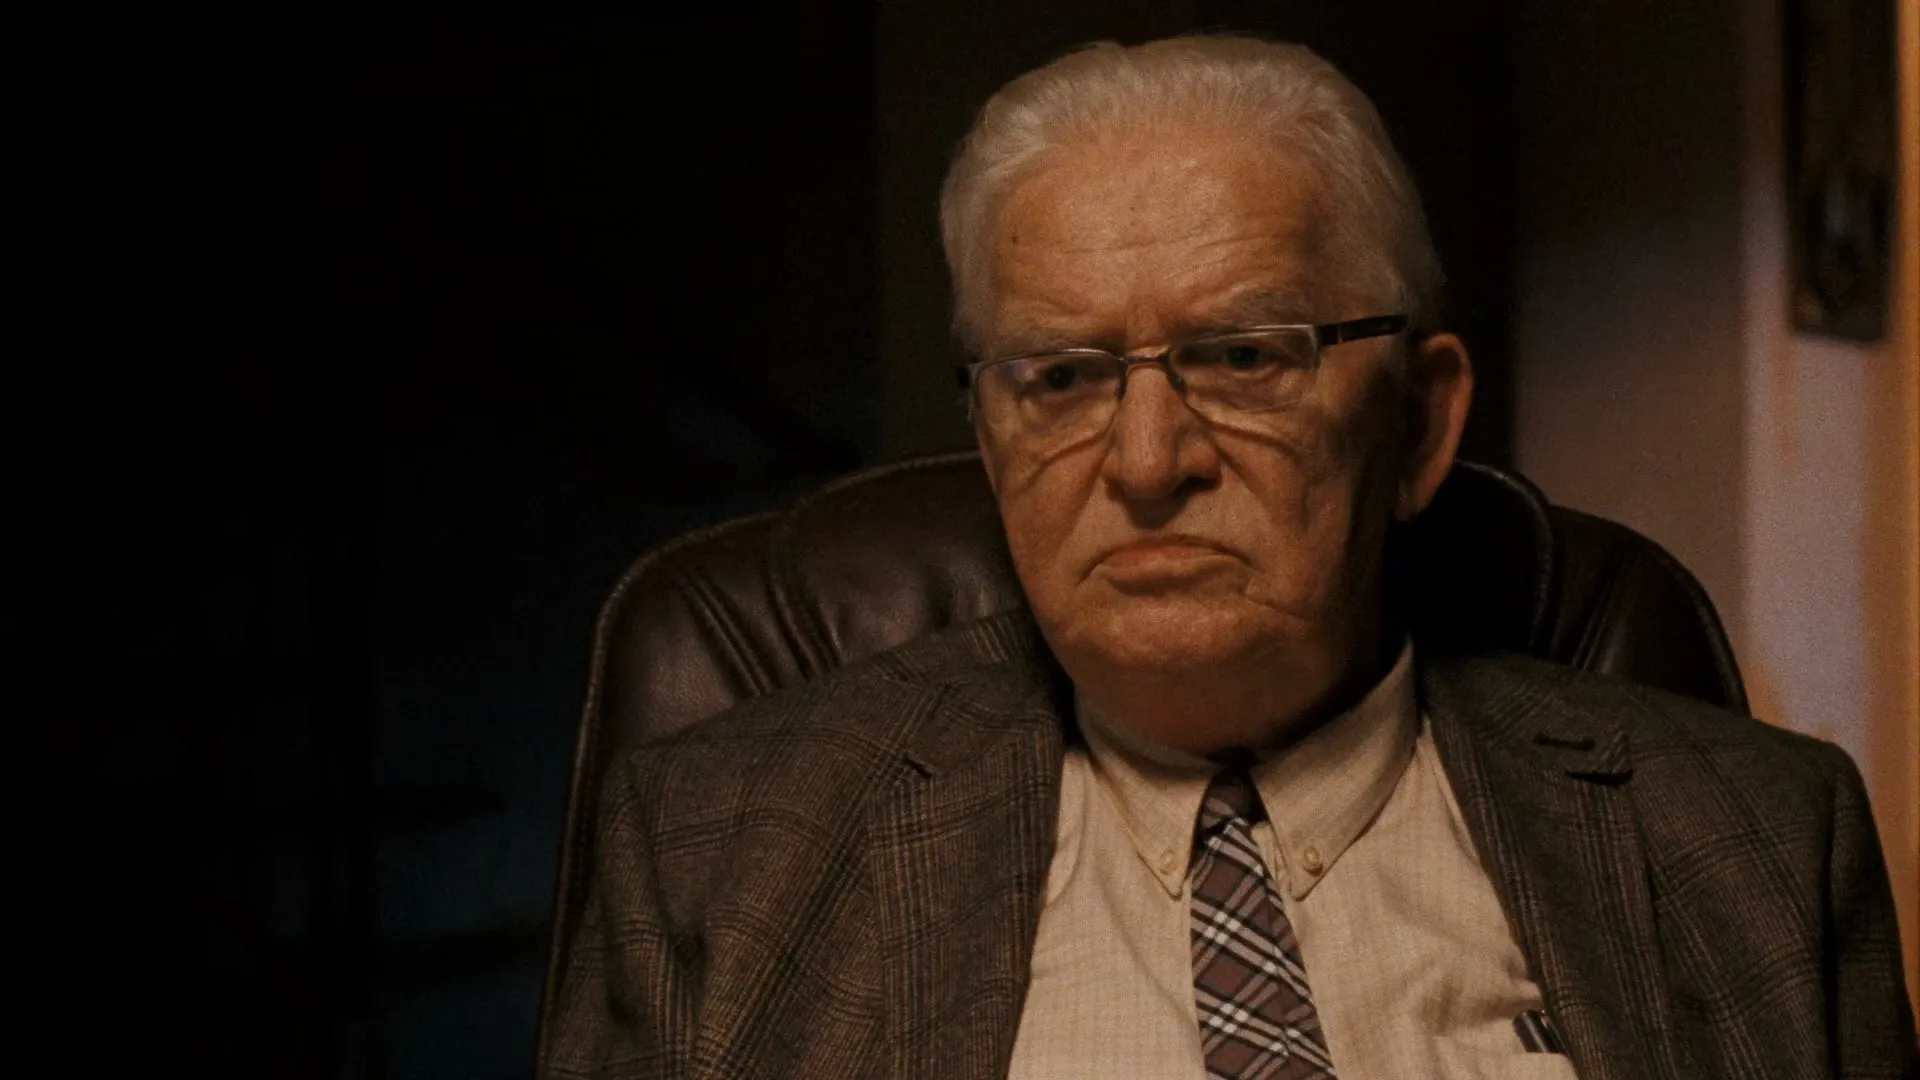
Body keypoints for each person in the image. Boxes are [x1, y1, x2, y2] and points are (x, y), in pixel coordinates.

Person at [540, 35, 1917, 1079]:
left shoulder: (1760, 841)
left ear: (1419, 424)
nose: (1148, 462)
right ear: (991, 437)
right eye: (1061, 378)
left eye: (1246, 357)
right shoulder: (718, 851)